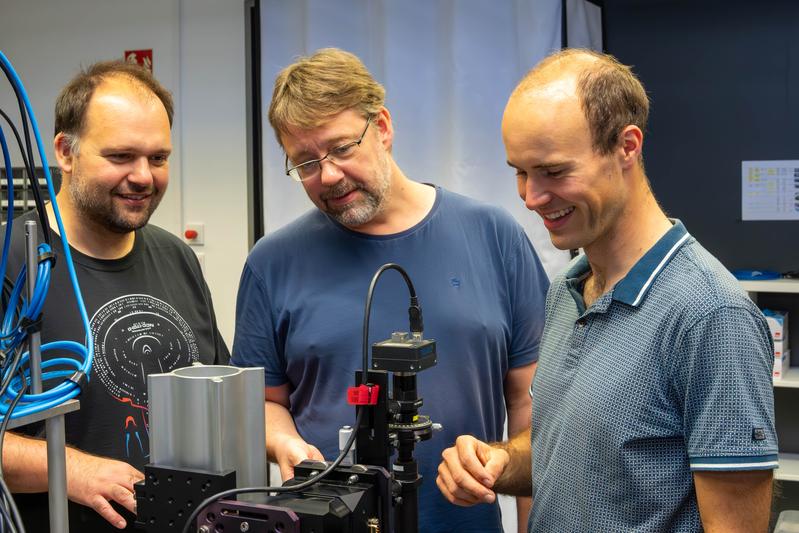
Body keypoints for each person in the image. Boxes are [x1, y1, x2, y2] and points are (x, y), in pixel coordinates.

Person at [436, 48, 777, 532]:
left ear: (627, 146)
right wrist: (496, 462)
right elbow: (577, 450)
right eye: (520, 171)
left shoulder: (710, 316)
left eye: (554, 171)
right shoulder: (566, 289)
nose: (531, 197)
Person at [231, 48, 549, 533]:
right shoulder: (272, 263)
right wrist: (283, 444)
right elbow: (264, 401)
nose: (329, 176)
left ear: (381, 126)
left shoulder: (493, 236)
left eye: (341, 149)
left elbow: (532, 404)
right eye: (306, 163)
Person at [1, 60, 230, 531]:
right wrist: (73, 470)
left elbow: (217, 402)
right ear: (65, 151)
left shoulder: (176, 257)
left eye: (159, 158)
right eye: (121, 156)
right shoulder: (12, 261)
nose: (144, 176)